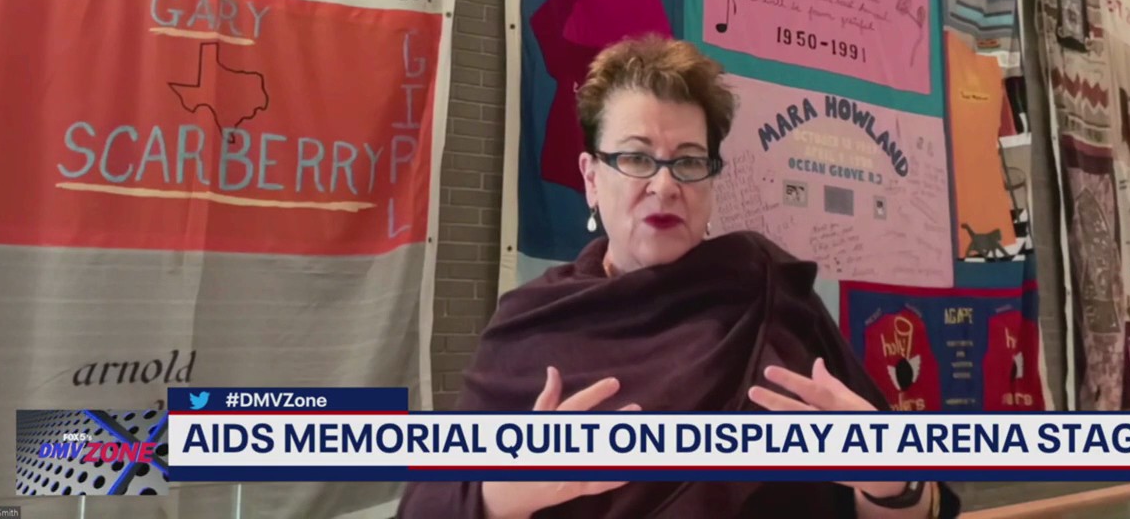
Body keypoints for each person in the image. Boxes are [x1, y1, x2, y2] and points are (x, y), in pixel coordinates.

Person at [398, 35, 960, 518]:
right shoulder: (530, 327)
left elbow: (915, 502)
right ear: (592, 178)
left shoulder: (771, 296)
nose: (665, 186)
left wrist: (893, 481)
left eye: (689, 161)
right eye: (637, 158)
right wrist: (501, 496)